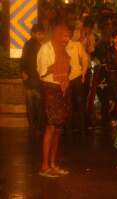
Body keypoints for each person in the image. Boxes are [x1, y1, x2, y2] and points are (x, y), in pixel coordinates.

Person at [37, 22, 71, 178]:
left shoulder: (63, 49)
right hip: (50, 89)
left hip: (61, 89)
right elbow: (42, 72)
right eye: (64, 36)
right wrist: (55, 66)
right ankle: (44, 166)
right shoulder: (46, 49)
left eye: (68, 36)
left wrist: (65, 76)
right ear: (57, 34)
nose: (66, 39)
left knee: (58, 128)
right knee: (51, 127)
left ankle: (53, 164)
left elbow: (67, 69)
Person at [20, 24, 46, 134]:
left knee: (31, 106)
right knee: (38, 105)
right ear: (33, 34)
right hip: (36, 80)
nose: (42, 36)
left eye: (42, 34)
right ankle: (38, 127)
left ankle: (33, 127)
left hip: (29, 80)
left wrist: (23, 72)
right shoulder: (39, 46)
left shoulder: (27, 44)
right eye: (39, 34)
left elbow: (22, 60)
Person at [66, 33, 89, 133]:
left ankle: (82, 128)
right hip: (64, 79)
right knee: (67, 104)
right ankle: (68, 128)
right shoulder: (57, 45)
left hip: (76, 77)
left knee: (80, 104)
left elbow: (85, 58)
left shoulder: (76, 45)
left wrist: (83, 73)